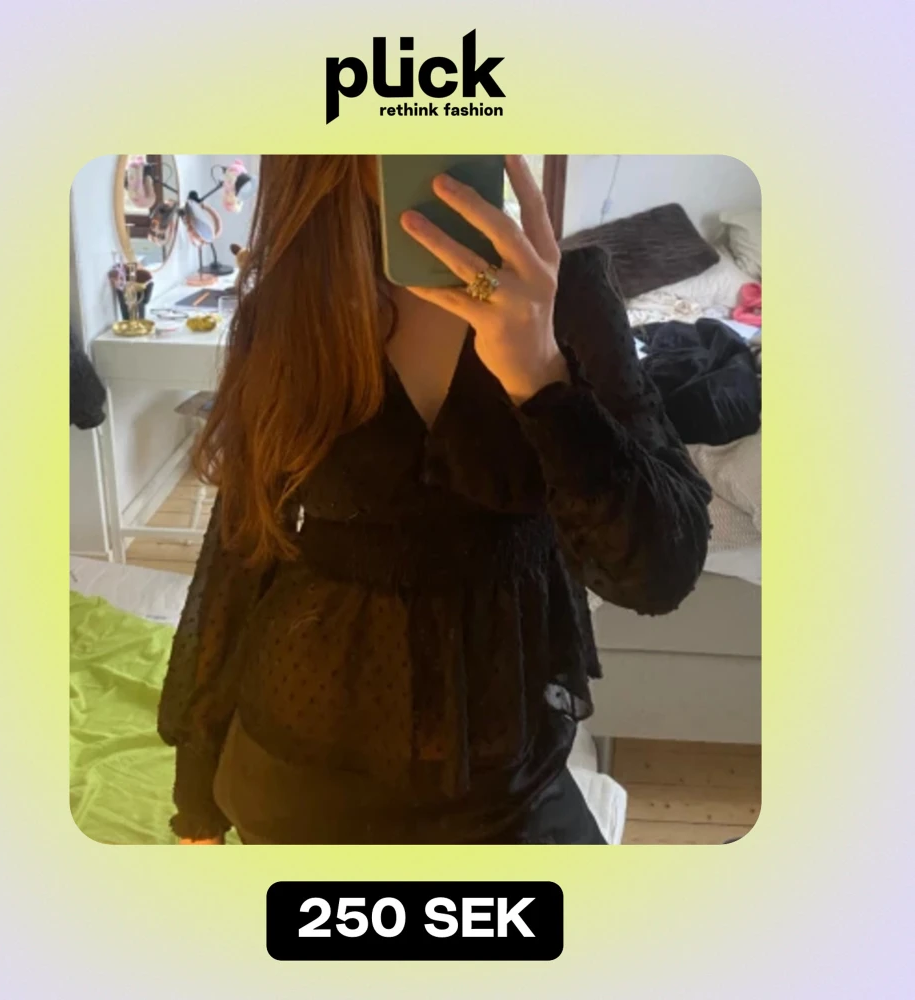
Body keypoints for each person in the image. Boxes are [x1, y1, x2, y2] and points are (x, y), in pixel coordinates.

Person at [157, 155, 711, 845]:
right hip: (302, 768)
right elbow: (243, 541)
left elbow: (661, 571)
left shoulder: (567, 300)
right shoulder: (291, 306)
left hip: (510, 780)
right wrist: (196, 793)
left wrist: (542, 379)